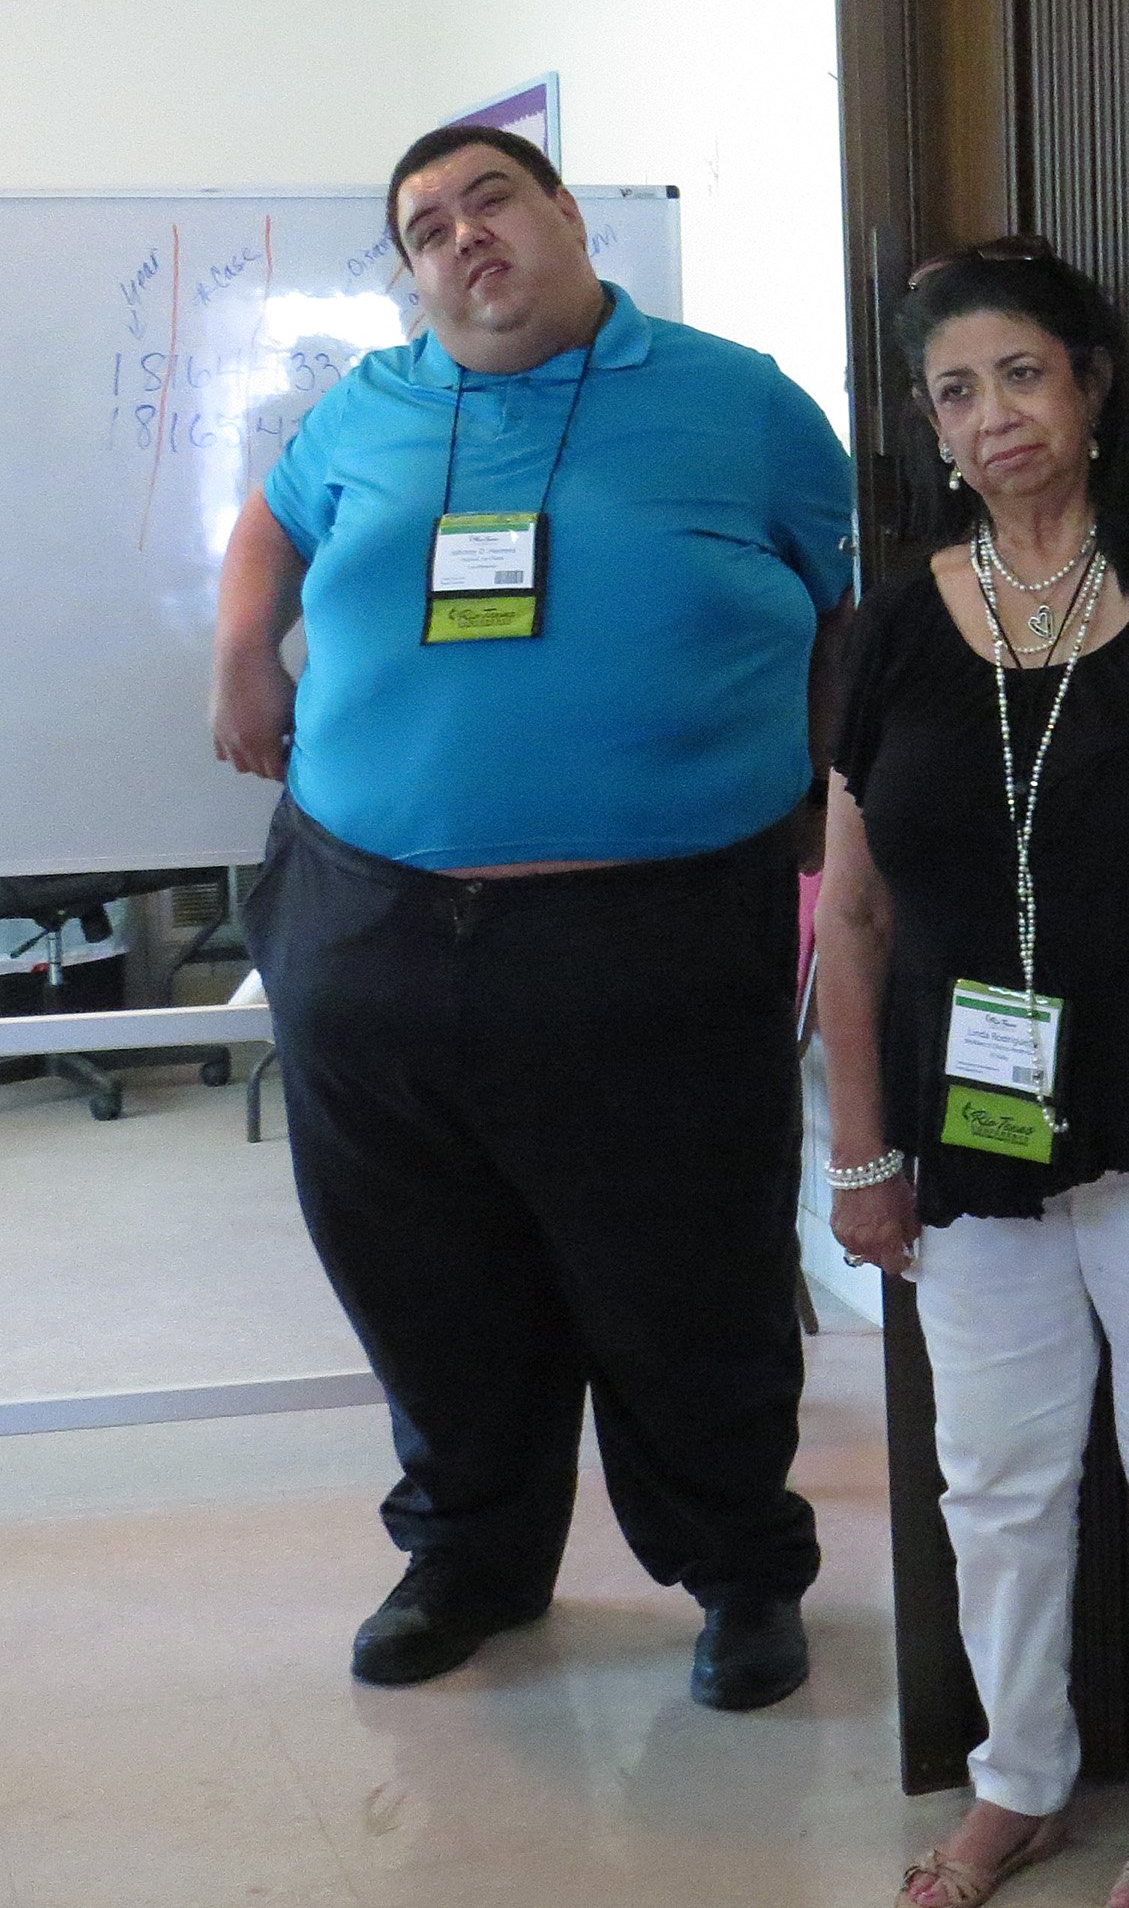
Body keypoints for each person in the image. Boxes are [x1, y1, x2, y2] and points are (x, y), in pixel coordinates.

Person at [212, 124, 851, 1710]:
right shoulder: (365, 408)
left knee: (683, 1277)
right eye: (424, 226)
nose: (463, 236)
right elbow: (274, 523)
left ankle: (738, 1570)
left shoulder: (741, 399)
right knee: (420, 1273)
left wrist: (809, 812)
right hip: (367, 922)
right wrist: (243, 644)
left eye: (490, 196)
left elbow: (839, 612)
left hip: (653, 931)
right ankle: (469, 1559)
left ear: (566, 215)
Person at [819, 238, 1129, 1908]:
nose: (994, 415)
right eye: (956, 390)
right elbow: (853, 914)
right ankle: (1019, 1775)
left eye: (1022, 373)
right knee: (994, 1476)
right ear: (929, 428)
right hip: (969, 1119)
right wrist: (859, 1152)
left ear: (1087, 381)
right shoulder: (890, 624)